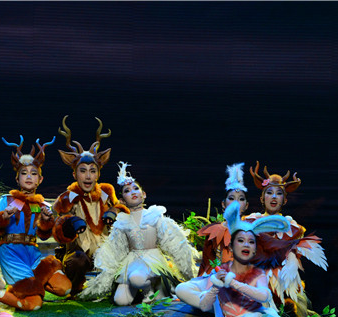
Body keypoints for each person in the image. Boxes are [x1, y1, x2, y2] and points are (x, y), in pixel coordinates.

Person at [183, 201, 294, 317]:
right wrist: (215, 286)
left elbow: (263, 296)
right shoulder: (220, 271)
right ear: (231, 246)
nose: (246, 245)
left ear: (255, 249)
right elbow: (204, 306)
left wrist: (234, 284)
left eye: (251, 242)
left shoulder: (258, 272)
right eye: (241, 241)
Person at [80, 162, 196, 304]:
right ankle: (149, 288)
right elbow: (115, 249)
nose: (133, 192)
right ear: (122, 200)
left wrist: (188, 272)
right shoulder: (122, 222)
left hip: (152, 259)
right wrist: (106, 274)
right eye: (127, 191)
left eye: (136, 188)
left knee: (138, 279)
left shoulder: (154, 215)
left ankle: (151, 289)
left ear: (143, 194)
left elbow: (174, 243)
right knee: (121, 301)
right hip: (132, 261)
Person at [0, 135, 72, 311]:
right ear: (17, 179)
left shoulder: (42, 205)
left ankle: (33, 286)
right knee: (34, 304)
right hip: (12, 253)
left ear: (40, 180)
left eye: (33, 173)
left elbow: (44, 236)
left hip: (32, 254)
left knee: (64, 287)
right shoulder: (7, 200)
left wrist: (46, 221)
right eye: (24, 173)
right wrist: (4, 216)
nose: (28, 177)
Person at [52, 116, 129, 295]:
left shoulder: (105, 194)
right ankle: (76, 288)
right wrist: (70, 221)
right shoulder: (69, 197)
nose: (88, 176)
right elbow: (58, 227)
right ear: (74, 174)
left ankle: (117, 288)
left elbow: (122, 210)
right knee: (77, 261)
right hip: (80, 253)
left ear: (98, 174)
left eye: (92, 171)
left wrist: (114, 211)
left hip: (105, 251)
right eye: (83, 171)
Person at [245, 161, 328, 317]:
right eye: (269, 192)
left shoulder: (293, 228)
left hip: (281, 284)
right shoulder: (249, 222)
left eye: (279, 193)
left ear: (285, 200)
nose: (274, 197)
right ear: (262, 198)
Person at [197, 162, 250, 276]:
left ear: (246, 205)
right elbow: (206, 265)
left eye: (241, 199)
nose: (236, 202)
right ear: (223, 204)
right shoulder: (215, 231)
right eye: (231, 198)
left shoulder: (252, 231)